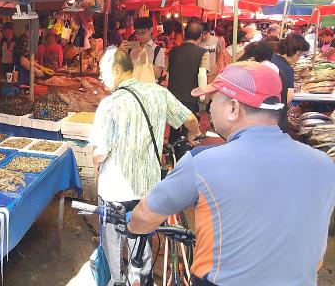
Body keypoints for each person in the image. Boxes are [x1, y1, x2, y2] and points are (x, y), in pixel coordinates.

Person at [128, 61, 335, 286]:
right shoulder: (324, 165)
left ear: (234, 108)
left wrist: (131, 227)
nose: (210, 109)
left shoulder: (203, 162)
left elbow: (145, 216)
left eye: (213, 101)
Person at [91, 47, 201, 286]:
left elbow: (101, 151)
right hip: (148, 190)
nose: (101, 78)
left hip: (114, 191)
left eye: (102, 73)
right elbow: (190, 119)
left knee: (111, 242)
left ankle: (115, 280)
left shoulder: (109, 104)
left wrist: (94, 163)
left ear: (116, 70)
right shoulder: (157, 93)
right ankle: (140, 277)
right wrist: (194, 134)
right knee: (141, 242)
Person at [166, 21, 209, 157]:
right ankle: (183, 161)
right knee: (188, 132)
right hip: (191, 98)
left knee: (173, 131)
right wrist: (202, 97)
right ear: (201, 36)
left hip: (172, 97)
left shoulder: (173, 51)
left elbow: (168, 74)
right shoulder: (203, 53)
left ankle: (170, 159)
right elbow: (202, 74)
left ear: (185, 34)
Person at [271, 34, 310, 132]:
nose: (299, 58)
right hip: (275, 116)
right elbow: (288, 97)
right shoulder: (286, 69)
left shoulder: (272, 58)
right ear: (294, 51)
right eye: (299, 54)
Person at [128, 17, 166, 82]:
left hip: (148, 86)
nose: (139, 36)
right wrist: (121, 51)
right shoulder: (132, 47)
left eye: (143, 33)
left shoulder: (157, 50)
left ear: (151, 30)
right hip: (132, 85)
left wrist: (146, 61)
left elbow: (158, 75)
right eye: (137, 33)